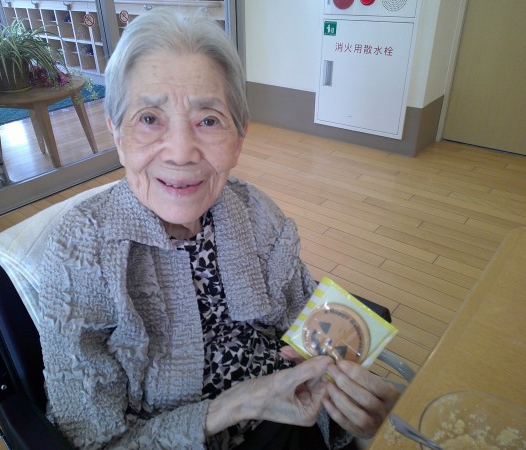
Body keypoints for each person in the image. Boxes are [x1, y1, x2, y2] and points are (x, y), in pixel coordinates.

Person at [38, 8, 400, 450]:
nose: (181, 152)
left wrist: (351, 405)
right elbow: (93, 442)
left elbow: (309, 332)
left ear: (239, 136)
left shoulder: (255, 212)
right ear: (116, 134)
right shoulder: (79, 251)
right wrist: (234, 405)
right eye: (149, 118)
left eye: (208, 120)